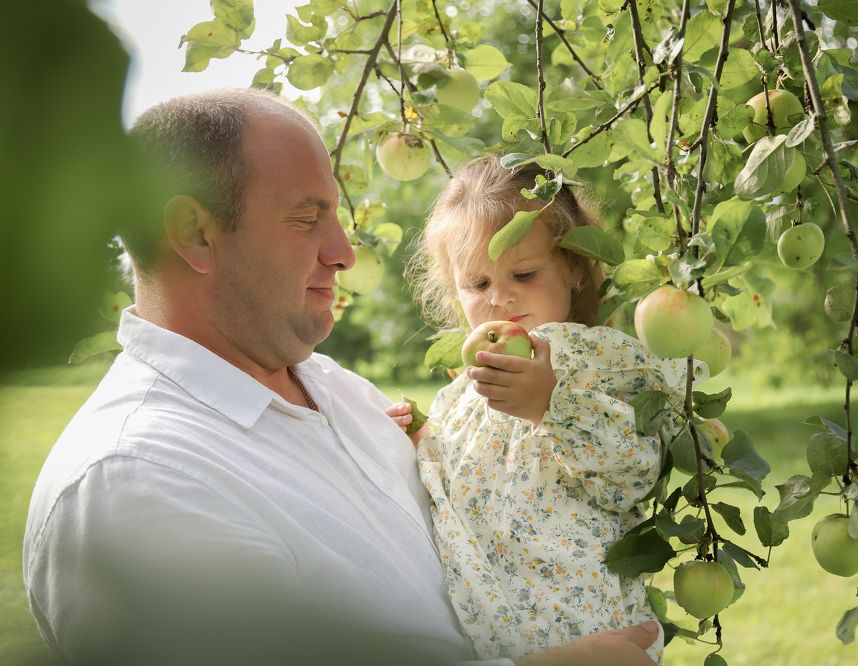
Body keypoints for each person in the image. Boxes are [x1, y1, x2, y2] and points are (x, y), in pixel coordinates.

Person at [21, 89, 661, 666]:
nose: (346, 253)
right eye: (306, 219)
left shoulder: (340, 390)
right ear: (195, 233)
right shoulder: (135, 481)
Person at [385, 156, 706, 662]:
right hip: (496, 633)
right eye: (478, 284)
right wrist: (421, 441)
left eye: (524, 273)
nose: (500, 298)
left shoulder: (595, 359)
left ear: (574, 267)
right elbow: (455, 494)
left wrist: (551, 405)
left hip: (587, 625)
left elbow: (633, 473)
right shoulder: (459, 396)